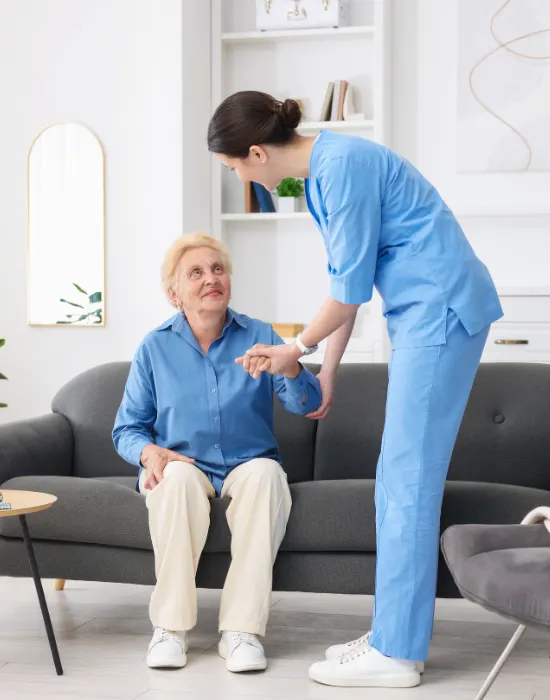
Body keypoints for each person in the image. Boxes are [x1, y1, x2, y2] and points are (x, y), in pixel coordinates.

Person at [208, 91, 503, 689]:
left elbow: (347, 295)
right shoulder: (323, 174)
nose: (239, 175)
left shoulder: (339, 170)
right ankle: (393, 633)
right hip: (426, 313)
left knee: (406, 479)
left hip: (441, 310)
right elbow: (352, 279)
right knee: (400, 478)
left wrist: (297, 350)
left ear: (257, 153)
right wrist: (330, 370)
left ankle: (397, 653)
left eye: (234, 166)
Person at [112, 232, 322, 673]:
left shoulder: (261, 335)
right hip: (184, 464)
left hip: (250, 463)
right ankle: (169, 629)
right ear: (175, 294)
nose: (212, 278)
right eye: (196, 273)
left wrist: (292, 364)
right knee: (175, 484)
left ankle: (242, 632)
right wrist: (149, 452)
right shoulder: (155, 347)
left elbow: (306, 405)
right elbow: (127, 429)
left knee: (267, 476)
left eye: (218, 269)